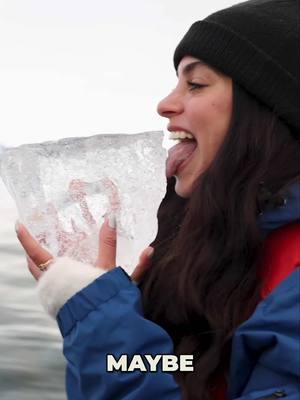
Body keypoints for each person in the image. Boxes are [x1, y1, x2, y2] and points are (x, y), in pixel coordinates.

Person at [16, 0, 300, 399]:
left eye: (196, 84)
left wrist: (101, 323)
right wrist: (123, 312)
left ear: (270, 112)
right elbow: (180, 371)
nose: (164, 104)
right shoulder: (215, 250)